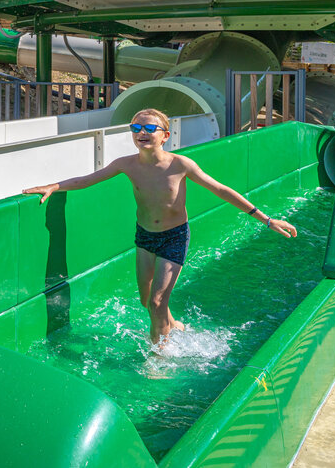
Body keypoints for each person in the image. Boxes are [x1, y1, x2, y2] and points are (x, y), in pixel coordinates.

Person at [22, 108, 298, 348]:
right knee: (147, 302)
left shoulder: (180, 165)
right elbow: (87, 179)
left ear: (165, 135)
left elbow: (221, 190)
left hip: (174, 237)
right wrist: (55, 186)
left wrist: (267, 219)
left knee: (156, 303)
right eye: (136, 128)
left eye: (150, 128)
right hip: (144, 237)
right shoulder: (126, 165)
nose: (142, 132)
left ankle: (159, 358)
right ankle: (174, 326)